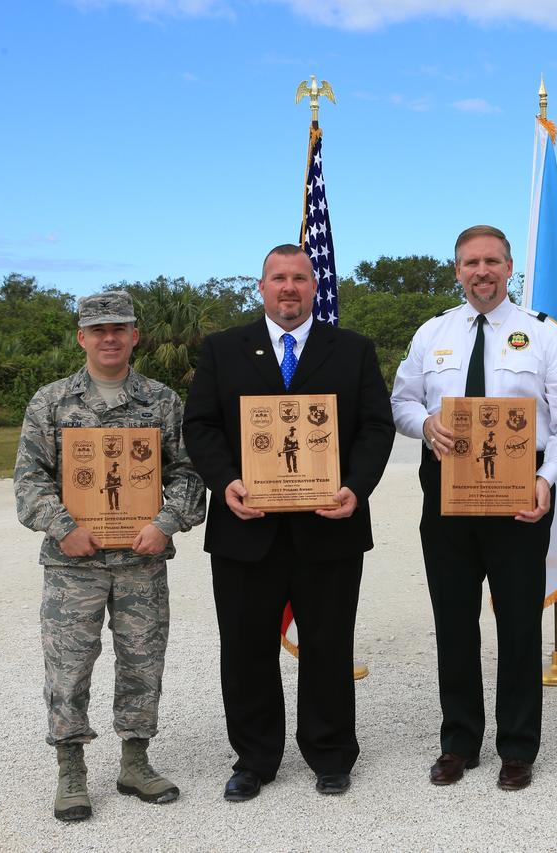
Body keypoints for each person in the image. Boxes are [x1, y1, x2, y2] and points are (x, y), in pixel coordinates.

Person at [183, 244, 394, 801]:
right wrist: (225, 481)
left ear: (316, 285)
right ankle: (254, 758)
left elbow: (375, 427)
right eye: (279, 278)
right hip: (245, 528)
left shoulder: (351, 350)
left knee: (328, 644)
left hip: (330, 526)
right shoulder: (223, 349)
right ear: (262, 287)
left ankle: (329, 753)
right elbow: (200, 425)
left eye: (301, 278)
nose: (290, 289)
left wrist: (356, 487)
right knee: (247, 647)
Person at [391, 225, 557, 791]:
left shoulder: (544, 334)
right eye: (470, 263)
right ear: (456, 270)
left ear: (510, 269)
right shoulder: (432, 333)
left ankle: (518, 746)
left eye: (492, 262)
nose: (481, 271)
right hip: (447, 489)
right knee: (453, 619)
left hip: (521, 490)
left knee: (520, 622)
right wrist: (424, 424)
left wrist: (547, 477)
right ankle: (458, 742)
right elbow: (401, 401)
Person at [14, 290, 206, 822]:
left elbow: (189, 474)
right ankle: (71, 768)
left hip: (141, 561)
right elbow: (29, 480)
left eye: (119, 328)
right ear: (82, 337)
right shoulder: (51, 402)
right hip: (73, 563)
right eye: (98, 330)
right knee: (68, 667)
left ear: (135, 335)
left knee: (143, 663)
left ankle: (135, 761)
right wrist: (62, 526)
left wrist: (166, 524)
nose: (109, 338)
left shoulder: (161, 401)